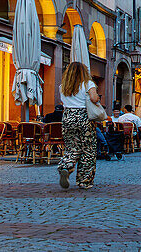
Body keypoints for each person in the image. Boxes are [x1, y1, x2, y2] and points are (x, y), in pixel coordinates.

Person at [56, 62, 100, 191]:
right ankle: (84, 181)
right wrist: (97, 97)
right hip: (84, 117)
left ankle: (65, 166)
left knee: (72, 147)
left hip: (68, 117)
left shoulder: (63, 86)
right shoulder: (88, 84)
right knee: (88, 150)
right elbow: (93, 98)